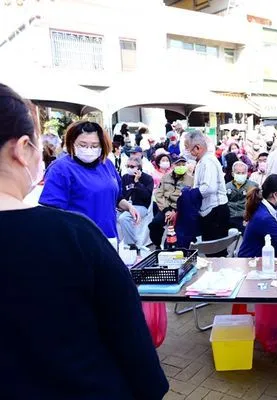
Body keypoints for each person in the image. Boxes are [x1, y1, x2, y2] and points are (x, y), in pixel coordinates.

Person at [0, 83, 168, 399]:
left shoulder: (105, 167)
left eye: (94, 143)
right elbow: (127, 334)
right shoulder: (68, 227)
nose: (89, 148)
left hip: (106, 241)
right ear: (23, 148)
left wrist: (126, 205)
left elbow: (114, 195)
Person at [40, 121, 140, 249]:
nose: (88, 149)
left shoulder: (106, 164)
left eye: (94, 145)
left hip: (109, 237)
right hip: (78, 242)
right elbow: (52, 213)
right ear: (72, 143)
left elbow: (116, 197)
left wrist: (129, 207)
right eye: (83, 145)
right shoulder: (60, 169)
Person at [185, 130, 230, 256]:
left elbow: (209, 187)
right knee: (213, 252)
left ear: (197, 147)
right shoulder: (202, 161)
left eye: (188, 148)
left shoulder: (207, 161)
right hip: (210, 211)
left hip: (215, 211)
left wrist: (191, 194)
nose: (187, 152)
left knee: (215, 252)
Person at [149, 156, 194, 248]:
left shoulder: (191, 180)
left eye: (183, 164)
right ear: (173, 165)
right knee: (154, 224)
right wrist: (166, 210)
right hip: (165, 207)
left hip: (181, 208)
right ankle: (157, 244)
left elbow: (189, 198)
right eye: (178, 164)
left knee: (178, 232)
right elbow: (159, 195)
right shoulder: (165, 178)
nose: (181, 166)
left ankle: (176, 247)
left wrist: (175, 210)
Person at [118, 157, 154, 249]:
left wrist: (137, 183)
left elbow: (146, 196)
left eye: (132, 166)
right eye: (128, 166)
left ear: (139, 167)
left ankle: (132, 244)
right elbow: (121, 194)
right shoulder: (125, 177)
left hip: (141, 206)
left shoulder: (147, 178)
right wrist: (122, 205)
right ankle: (115, 245)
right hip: (126, 205)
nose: (129, 168)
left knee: (124, 218)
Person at [226, 161, 258, 234]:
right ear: (233, 174)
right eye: (238, 173)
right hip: (231, 217)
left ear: (247, 174)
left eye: (243, 173)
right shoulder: (227, 186)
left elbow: (256, 204)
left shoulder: (253, 187)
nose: (240, 175)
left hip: (245, 217)